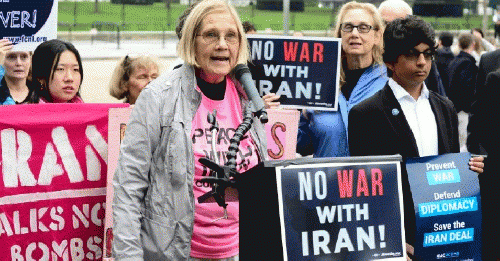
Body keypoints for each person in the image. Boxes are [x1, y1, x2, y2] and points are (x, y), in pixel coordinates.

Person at [112, 0, 267, 260]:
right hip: (177, 252)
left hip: (239, 250)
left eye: (231, 36)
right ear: (191, 42)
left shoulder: (247, 97)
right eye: (210, 35)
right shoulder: (158, 97)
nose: (222, 44)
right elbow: (129, 186)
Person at [348, 15, 484, 260]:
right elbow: (365, 191)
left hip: (443, 236)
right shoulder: (366, 113)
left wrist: (470, 169)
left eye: (427, 54)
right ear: (391, 61)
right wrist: (393, 241)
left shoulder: (445, 107)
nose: (422, 62)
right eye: (412, 54)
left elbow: (450, 171)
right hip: (397, 243)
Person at [295, 1, 387, 158]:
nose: (355, 34)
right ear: (340, 34)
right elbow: (302, 146)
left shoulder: (390, 82)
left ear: (377, 36)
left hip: (371, 181)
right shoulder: (321, 81)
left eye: (364, 28)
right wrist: (292, 116)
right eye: (348, 27)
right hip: (326, 180)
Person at [378, 0, 447, 97]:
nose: (391, 29)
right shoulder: (364, 58)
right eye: (385, 23)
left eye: (400, 24)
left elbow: (438, 101)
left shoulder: (423, 62)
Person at [447, 33, 478, 152]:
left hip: (453, 107)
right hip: (463, 111)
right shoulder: (468, 64)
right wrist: (467, 107)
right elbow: (466, 88)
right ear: (473, 45)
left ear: (459, 44)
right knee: (463, 146)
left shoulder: (454, 62)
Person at [0, 39, 33, 105]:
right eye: (11, 57)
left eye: (24, 56)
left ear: (30, 60)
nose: (19, 63)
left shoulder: (41, 94)